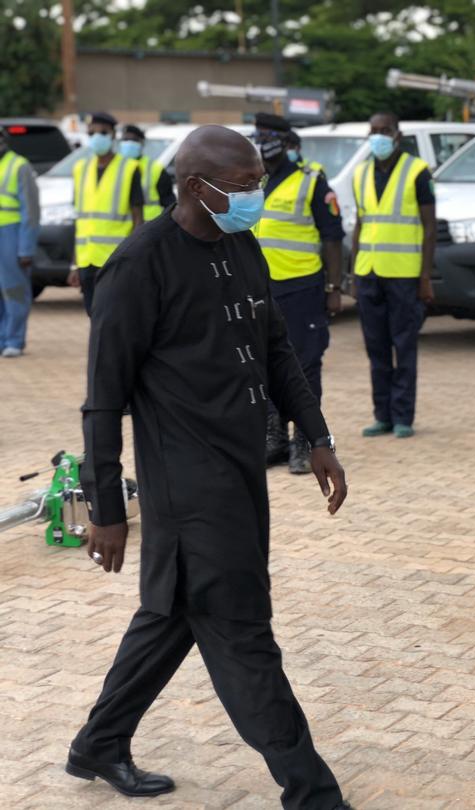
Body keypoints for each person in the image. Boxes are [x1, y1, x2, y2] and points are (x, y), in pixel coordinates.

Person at [68, 126, 352, 810]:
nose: (259, 195)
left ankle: (99, 744)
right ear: (198, 186)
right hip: (186, 484)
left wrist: (315, 435)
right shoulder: (138, 268)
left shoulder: (240, 245)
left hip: (240, 468)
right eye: (248, 185)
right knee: (240, 626)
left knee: (173, 612)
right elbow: (102, 402)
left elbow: (277, 350)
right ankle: (311, 792)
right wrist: (108, 508)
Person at [252, 113, 345, 473]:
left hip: (302, 289)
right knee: (263, 365)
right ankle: (274, 437)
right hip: (262, 289)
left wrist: (334, 287)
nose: (262, 142)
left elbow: (333, 236)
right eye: (258, 136)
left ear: (284, 139)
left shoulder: (312, 183)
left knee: (305, 367)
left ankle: (306, 441)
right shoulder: (254, 181)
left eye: (267, 136)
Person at [350, 111, 436, 439]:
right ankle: (382, 414)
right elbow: (360, 223)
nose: (378, 136)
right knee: (376, 348)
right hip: (369, 271)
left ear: (397, 134)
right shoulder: (360, 174)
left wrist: (426, 276)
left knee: (404, 345)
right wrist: (353, 273)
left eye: (384, 130)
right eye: (373, 131)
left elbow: (429, 227)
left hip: (404, 274)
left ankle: (403, 416)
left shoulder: (417, 171)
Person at [68, 112, 144, 315]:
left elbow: (138, 218)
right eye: (92, 133)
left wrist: (133, 258)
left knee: (114, 315)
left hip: (115, 260)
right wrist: (74, 264)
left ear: (112, 135)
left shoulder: (129, 168)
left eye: (102, 132)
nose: (97, 137)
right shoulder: (79, 169)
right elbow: (80, 220)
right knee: (93, 315)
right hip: (87, 259)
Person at [0, 125, 40, 357]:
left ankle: (14, 339)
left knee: (13, 288)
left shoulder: (19, 166)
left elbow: (31, 211)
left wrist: (26, 247)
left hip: (11, 234)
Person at [118, 124, 176, 220]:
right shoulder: (112, 167)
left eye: (133, 140)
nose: (128, 143)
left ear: (142, 142)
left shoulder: (155, 169)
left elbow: (169, 204)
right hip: (118, 229)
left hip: (148, 227)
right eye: (125, 140)